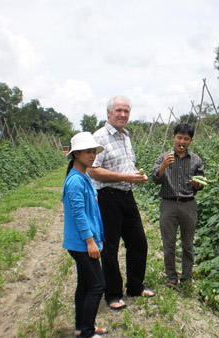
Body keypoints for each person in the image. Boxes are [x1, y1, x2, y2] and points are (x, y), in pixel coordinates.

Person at [88, 95, 155, 311]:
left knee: (138, 243)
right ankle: (113, 293)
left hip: (127, 196)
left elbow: (125, 166)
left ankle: (135, 286)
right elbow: (92, 170)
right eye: (119, 110)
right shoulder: (99, 137)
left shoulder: (126, 136)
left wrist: (135, 175)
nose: (123, 115)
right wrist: (126, 177)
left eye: (126, 111)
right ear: (108, 113)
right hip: (107, 198)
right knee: (110, 248)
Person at [62, 132, 107, 338]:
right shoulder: (75, 182)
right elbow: (79, 214)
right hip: (82, 244)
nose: (92, 155)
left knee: (85, 284)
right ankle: (87, 333)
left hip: (85, 242)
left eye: (94, 151)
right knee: (98, 286)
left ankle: (82, 326)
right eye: (88, 152)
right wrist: (90, 242)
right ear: (76, 154)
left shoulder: (84, 176)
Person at [151, 123, 205, 287]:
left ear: (191, 141)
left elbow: (201, 183)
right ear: (174, 137)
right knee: (169, 244)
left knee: (187, 245)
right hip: (168, 204)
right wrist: (163, 167)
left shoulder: (196, 160)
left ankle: (187, 278)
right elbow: (155, 179)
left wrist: (197, 185)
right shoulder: (164, 157)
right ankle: (171, 277)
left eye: (186, 138)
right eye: (179, 137)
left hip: (188, 205)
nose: (182, 141)